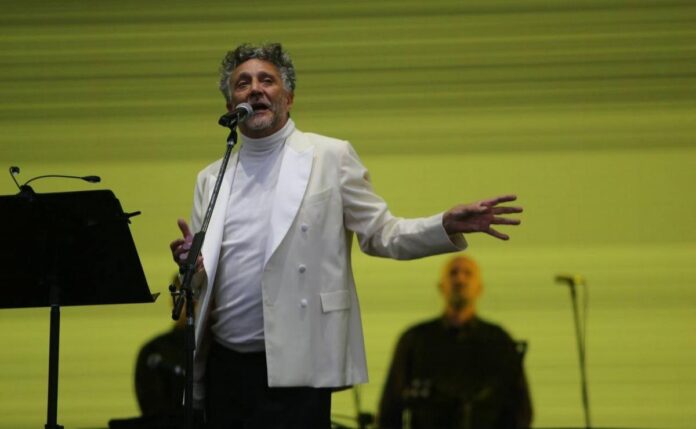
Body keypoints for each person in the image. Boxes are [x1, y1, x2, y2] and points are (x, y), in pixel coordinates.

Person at [169, 43, 523, 429]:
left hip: (299, 361)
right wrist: (193, 264)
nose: (255, 89)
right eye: (243, 83)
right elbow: (207, 279)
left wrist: (443, 224)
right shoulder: (211, 178)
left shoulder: (330, 157)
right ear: (229, 105)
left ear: (288, 97)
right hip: (225, 367)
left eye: (266, 80)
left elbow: (382, 234)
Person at [378, 255, 533, 429]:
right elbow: (390, 406)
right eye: (453, 273)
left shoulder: (499, 340)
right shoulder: (414, 340)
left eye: (468, 273)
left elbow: (520, 407)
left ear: (480, 288)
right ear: (441, 286)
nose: (460, 279)